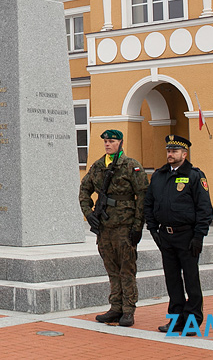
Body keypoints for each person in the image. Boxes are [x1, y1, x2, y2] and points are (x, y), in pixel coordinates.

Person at [144, 135, 213, 336]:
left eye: (174, 151)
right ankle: (175, 319)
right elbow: (149, 203)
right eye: (169, 151)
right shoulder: (159, 175)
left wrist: (199, 236)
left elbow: (204, 209)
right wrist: (152, 229)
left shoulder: (194, 176)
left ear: (184, 154)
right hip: (165, 236)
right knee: (172, 280)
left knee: (191, 279)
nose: (170, 154)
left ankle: (192, 322)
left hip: (187, 236)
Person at [79, 129, 149, 327]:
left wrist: (138, 226)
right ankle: (115, 307)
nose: (108, 144)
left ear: (121, 143)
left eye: (111, 141)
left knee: (127, 269)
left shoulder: (131, 166)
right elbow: (84, 189)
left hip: (124, 227)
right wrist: (89, 213)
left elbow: (143, 196)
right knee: (111, 269)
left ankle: (128, 310)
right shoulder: (99, 166)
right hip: (104, 227)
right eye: (106, 141)